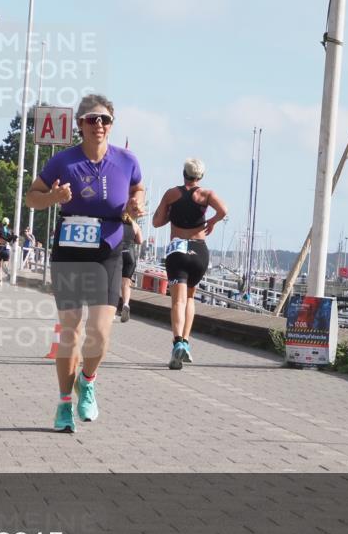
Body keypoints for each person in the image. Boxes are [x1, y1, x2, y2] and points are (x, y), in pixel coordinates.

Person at [26, 94, 144, 433]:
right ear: (80, 124)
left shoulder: (127, 160)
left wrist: (135, 206)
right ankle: (64, 403)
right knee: (71, 330)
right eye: (92, 119)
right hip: (71, 249)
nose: (99, 125)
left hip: (107, 249)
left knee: (100, 333)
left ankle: (87, 382)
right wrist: (53, 198)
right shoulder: (63, 162)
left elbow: (138, 189)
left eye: (105, 120)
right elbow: (31, 197)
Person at [152, 158, 227, 369]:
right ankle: (185, 341)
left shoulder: (171, 194)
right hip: (199, 251)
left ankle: (177, 343)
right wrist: (211, 221)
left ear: (183, 173)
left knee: (178, 301)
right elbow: (223, 210)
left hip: (178, 250)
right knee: (191, 297)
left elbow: (156, 222)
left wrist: (171, 215)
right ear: (201, 176)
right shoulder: (207, 195)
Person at [117, 213, 143, 322]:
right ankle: (126, 304)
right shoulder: (135, 225)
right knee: (126, 284)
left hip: (118, 254)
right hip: (130, 256)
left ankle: (112, 309)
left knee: (113, 283)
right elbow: (140, 241)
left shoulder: (116, 224)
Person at [0, 217, 14, 286]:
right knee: (5, 264)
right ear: (8, 223)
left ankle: (0, 282)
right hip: (6, 249)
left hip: (0, 248)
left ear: (2, 223)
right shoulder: (10, 231)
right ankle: (6, 271)